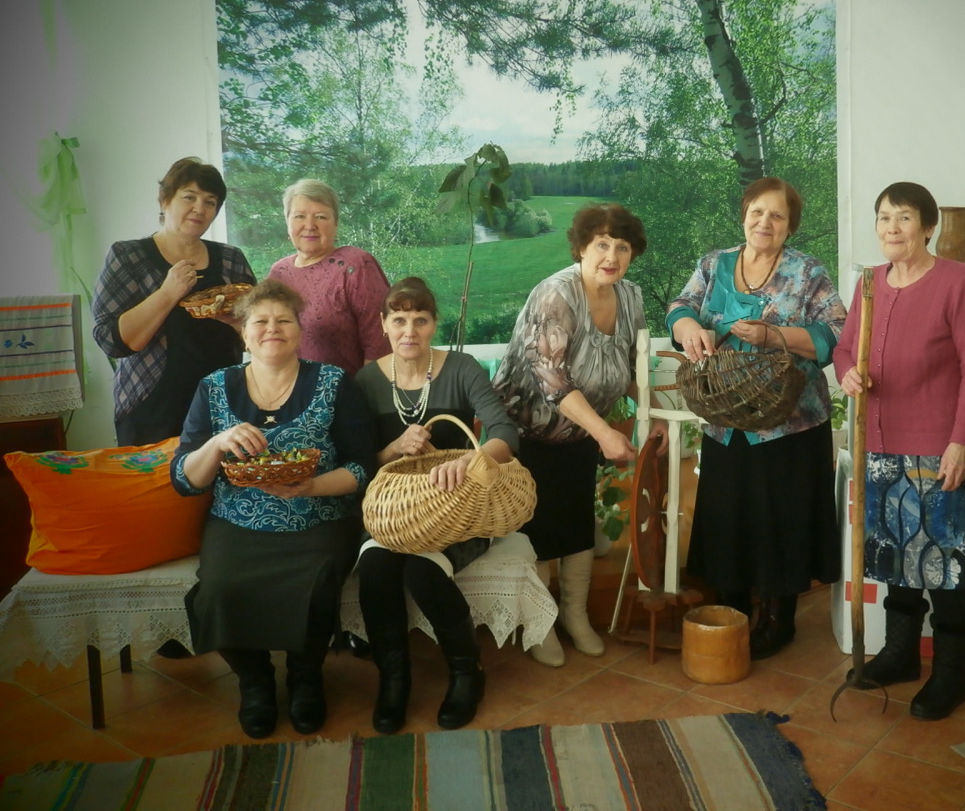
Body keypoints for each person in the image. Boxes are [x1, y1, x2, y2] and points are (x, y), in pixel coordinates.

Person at [172, 280, 378, 739]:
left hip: (320, 516)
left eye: (284, 320)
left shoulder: (333, 382)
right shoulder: (213, 388)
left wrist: (312, 487)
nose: (272, 329)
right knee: (218, 589)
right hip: (237, 520)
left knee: (319, 580)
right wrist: (218, 442)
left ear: (300, 331)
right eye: (260, 321)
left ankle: (306, 677)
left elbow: (363, 465)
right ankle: (255, 681)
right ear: (243, 333)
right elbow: (185, 478)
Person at [667, 177, 846, 660]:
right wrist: (687, 328)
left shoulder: (808, 272)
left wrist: (775, 337)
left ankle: (780, 620)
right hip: (725, 418)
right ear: (744, 213)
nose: (765, 222)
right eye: (757, 212)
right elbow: (681, 307)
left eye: (777, 216)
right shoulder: (713, 264)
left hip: (790, 422)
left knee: (780, 518)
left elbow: (836, 333)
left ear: (790, 227)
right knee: (731, 517)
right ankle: (733, 612)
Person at [832, 182, 965, 720]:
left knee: (943, 566)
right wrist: (847, 372)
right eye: (883, 218)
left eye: (903, 218)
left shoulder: (960, 281)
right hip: (880, 443)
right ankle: (900, 655)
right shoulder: (869, 283)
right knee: (896, 560)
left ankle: (952, 675)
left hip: (936, 447)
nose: (891, 229)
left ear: (928, 226)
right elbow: (843, 345)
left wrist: (962, 441)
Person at [491, 203, 667, 667]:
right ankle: (539, 621)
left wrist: (658, 413)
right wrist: (606, 433)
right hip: (528, 430)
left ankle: (574, 614)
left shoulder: (630, 296)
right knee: (537, 528)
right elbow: (550, 380)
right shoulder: (556, 295)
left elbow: (633, 369)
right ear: (582, 248)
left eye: (622, 246)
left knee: (574, 520)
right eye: (602, 244)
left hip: (582, 430)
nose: (612, 255)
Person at [354, 277, 519, 732]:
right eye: (400, 320)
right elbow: (355, 462)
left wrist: (472, 459)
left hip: (462, 512)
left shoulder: (462, 368)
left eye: (420, 320)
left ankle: (467, 672)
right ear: (384, 324)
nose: (410, 331)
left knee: (422, 570)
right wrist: (392, 449)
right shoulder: (367, 380)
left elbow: (506, 434)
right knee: (375, 569)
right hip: (396, 515)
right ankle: (394, 680)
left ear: (433, 324)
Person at [92, 157, 256, 446]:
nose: (199, 208)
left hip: (223, 405)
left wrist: (236, 324)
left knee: (221, 488)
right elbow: (112, 341)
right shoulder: (129, 256)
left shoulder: (232, 260)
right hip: (151, 408)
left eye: (210, 201)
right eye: (189, 197)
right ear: (165, 200)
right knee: (153, 489)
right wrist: (168, 293)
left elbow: (259, 335)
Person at [267, 178, 390, 375]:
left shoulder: (355, 265)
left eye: (321, 217)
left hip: (345, 396)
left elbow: (381, 342)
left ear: (336, 224)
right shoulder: (278, 273)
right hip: (288, 395)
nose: (310, 225)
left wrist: (364, 398)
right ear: (287, 222)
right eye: (299, 216)